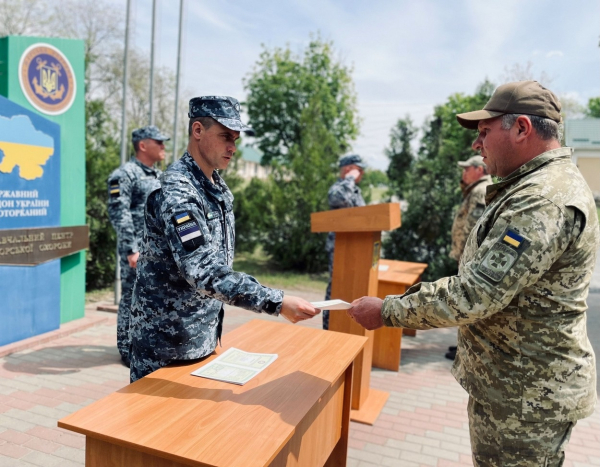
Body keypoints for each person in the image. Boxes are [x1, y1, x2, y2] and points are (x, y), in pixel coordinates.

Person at [347, 81, 599, 465]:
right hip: (515, 387)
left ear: (521, 129)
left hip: (527, 397)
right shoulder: (534, 187)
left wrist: (387, 310)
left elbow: (475, 294)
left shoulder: (541, 199)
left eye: (484, 132)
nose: (475, 146)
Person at [129, 96, 319, 382]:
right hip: (166, 345)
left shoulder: (215, 186)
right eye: (225, 136)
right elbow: (204, 270)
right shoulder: (178, 191)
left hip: (201, 336)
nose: (233, 147)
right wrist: (276, 302)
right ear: (197, 131)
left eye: (236, 139)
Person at [107, 125, 169, 366]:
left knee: (153, 299)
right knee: (131, 298)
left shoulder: (157, 175)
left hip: (157, 252)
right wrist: (131, 250)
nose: (163, 146)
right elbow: (119, 214)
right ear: (143, 145)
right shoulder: (124, 174)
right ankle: (126, 348)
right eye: (159, 141)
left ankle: (146, 344)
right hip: (137, 251)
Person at [445, 155, 492, 360]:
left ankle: (465, 349)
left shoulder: (481, 191)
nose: (463, 173)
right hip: (467, 258)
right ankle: (462, 346)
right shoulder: (475, 190)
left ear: (479, 170)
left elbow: (473, 229)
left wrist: (465, 257)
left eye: (467, 169)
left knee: (466, 303)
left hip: (469, 259)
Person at [323, 154, 366, 330]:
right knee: (337, 290)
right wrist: (349, 178)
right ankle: (329, 328)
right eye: (359, 169)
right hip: (340, 250)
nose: (362, 174)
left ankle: (347, 329)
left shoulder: (355, 190)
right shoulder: (340, 187)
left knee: (351, 291)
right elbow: (337, 199)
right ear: (349, 169)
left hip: (356, 250)